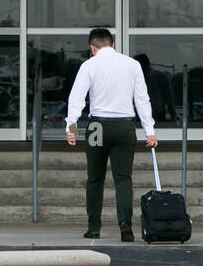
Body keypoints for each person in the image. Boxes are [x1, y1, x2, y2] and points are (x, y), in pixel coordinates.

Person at [65, 27, 158, 241]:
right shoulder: (133, 65)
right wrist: (149, 132)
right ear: (113, 44)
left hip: (97, 126)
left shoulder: (89, 65)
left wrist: (71, 129)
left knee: (95, 178)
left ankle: (94, 227)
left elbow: (76, 99)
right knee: (123, 178)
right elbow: (142, 100)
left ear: (92, 48)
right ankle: (125, 226)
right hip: (124, 127)